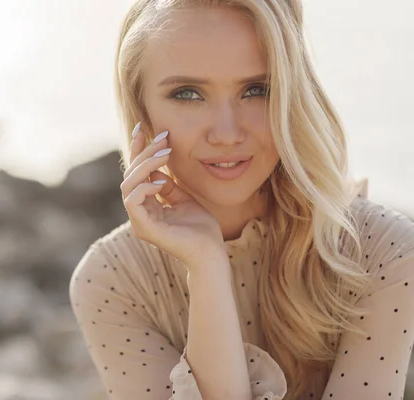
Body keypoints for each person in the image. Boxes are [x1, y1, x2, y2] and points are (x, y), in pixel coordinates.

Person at [68, 0, 414, 399]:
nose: (227, 133)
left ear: (292, 97)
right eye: (187, 93)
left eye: (256, 90)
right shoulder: (112, 281)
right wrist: (206, 264)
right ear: (141, 110)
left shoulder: (384, 253)